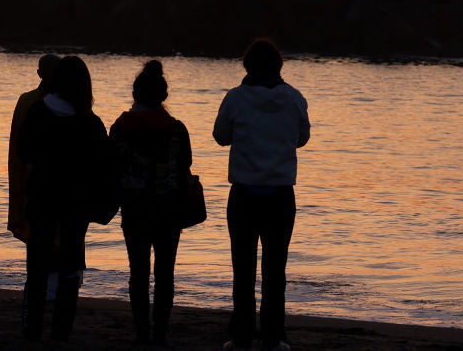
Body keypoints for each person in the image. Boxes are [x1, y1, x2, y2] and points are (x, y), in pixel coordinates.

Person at [213, 38, 310, 351]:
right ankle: (272, 336)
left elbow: (220, 136)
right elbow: (302, 138)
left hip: (244, 194)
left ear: (247, 68)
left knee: (242, 268)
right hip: (281, 195)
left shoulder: (236, 98)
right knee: (275, 269)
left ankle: (241, 335)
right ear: (279, 66)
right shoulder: (294, 98)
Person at [18, 55, 110, 342]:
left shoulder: (37, 112)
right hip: (75, 203)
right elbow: (102, 167)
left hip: (41, 198)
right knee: (70, 268)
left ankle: (32, 332)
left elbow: (24, 152)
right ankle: (61, 334)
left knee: (37, 269)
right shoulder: (91, 122)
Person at [109, 59, 193, 345]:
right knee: (165, 273)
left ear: (135, 94)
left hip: (134, 208)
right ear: (164, 96)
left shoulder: (120, 127)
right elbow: (185, 167)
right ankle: (160, 332)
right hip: (169, 209)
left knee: (138, 272)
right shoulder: (177, 129)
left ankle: (142, 331)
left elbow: (112, 168)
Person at [7, 53, 61, 243]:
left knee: (37, 244)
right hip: (57, 184)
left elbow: (16, 149)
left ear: (39, 73)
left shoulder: (26, 101)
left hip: (32, 182)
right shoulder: (74, 102)